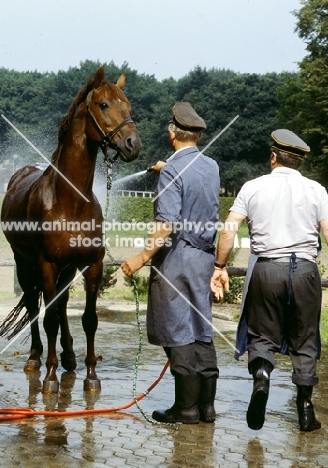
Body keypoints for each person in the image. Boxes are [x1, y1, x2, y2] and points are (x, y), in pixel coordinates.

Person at [210, 129, 328, 432]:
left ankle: (261, 379)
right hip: (304, 270)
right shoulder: (316, 190)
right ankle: (305, 410)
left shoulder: (251, 187)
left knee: (262, 336)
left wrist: (220, 266)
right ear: (299, 161)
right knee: (305, 338)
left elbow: (228, 231)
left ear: (273, 156)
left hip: (265, 268)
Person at [121, 102, 220, 424]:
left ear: (172, 133)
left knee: (177, 328)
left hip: (177, 259)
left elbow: (166, 223)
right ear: (198, 136)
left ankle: (186, 409)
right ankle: (206, 408)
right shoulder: (211, 166)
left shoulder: (175, 170)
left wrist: (139, 258)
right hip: (204, 257)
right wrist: (169, 168)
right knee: (201, 329)